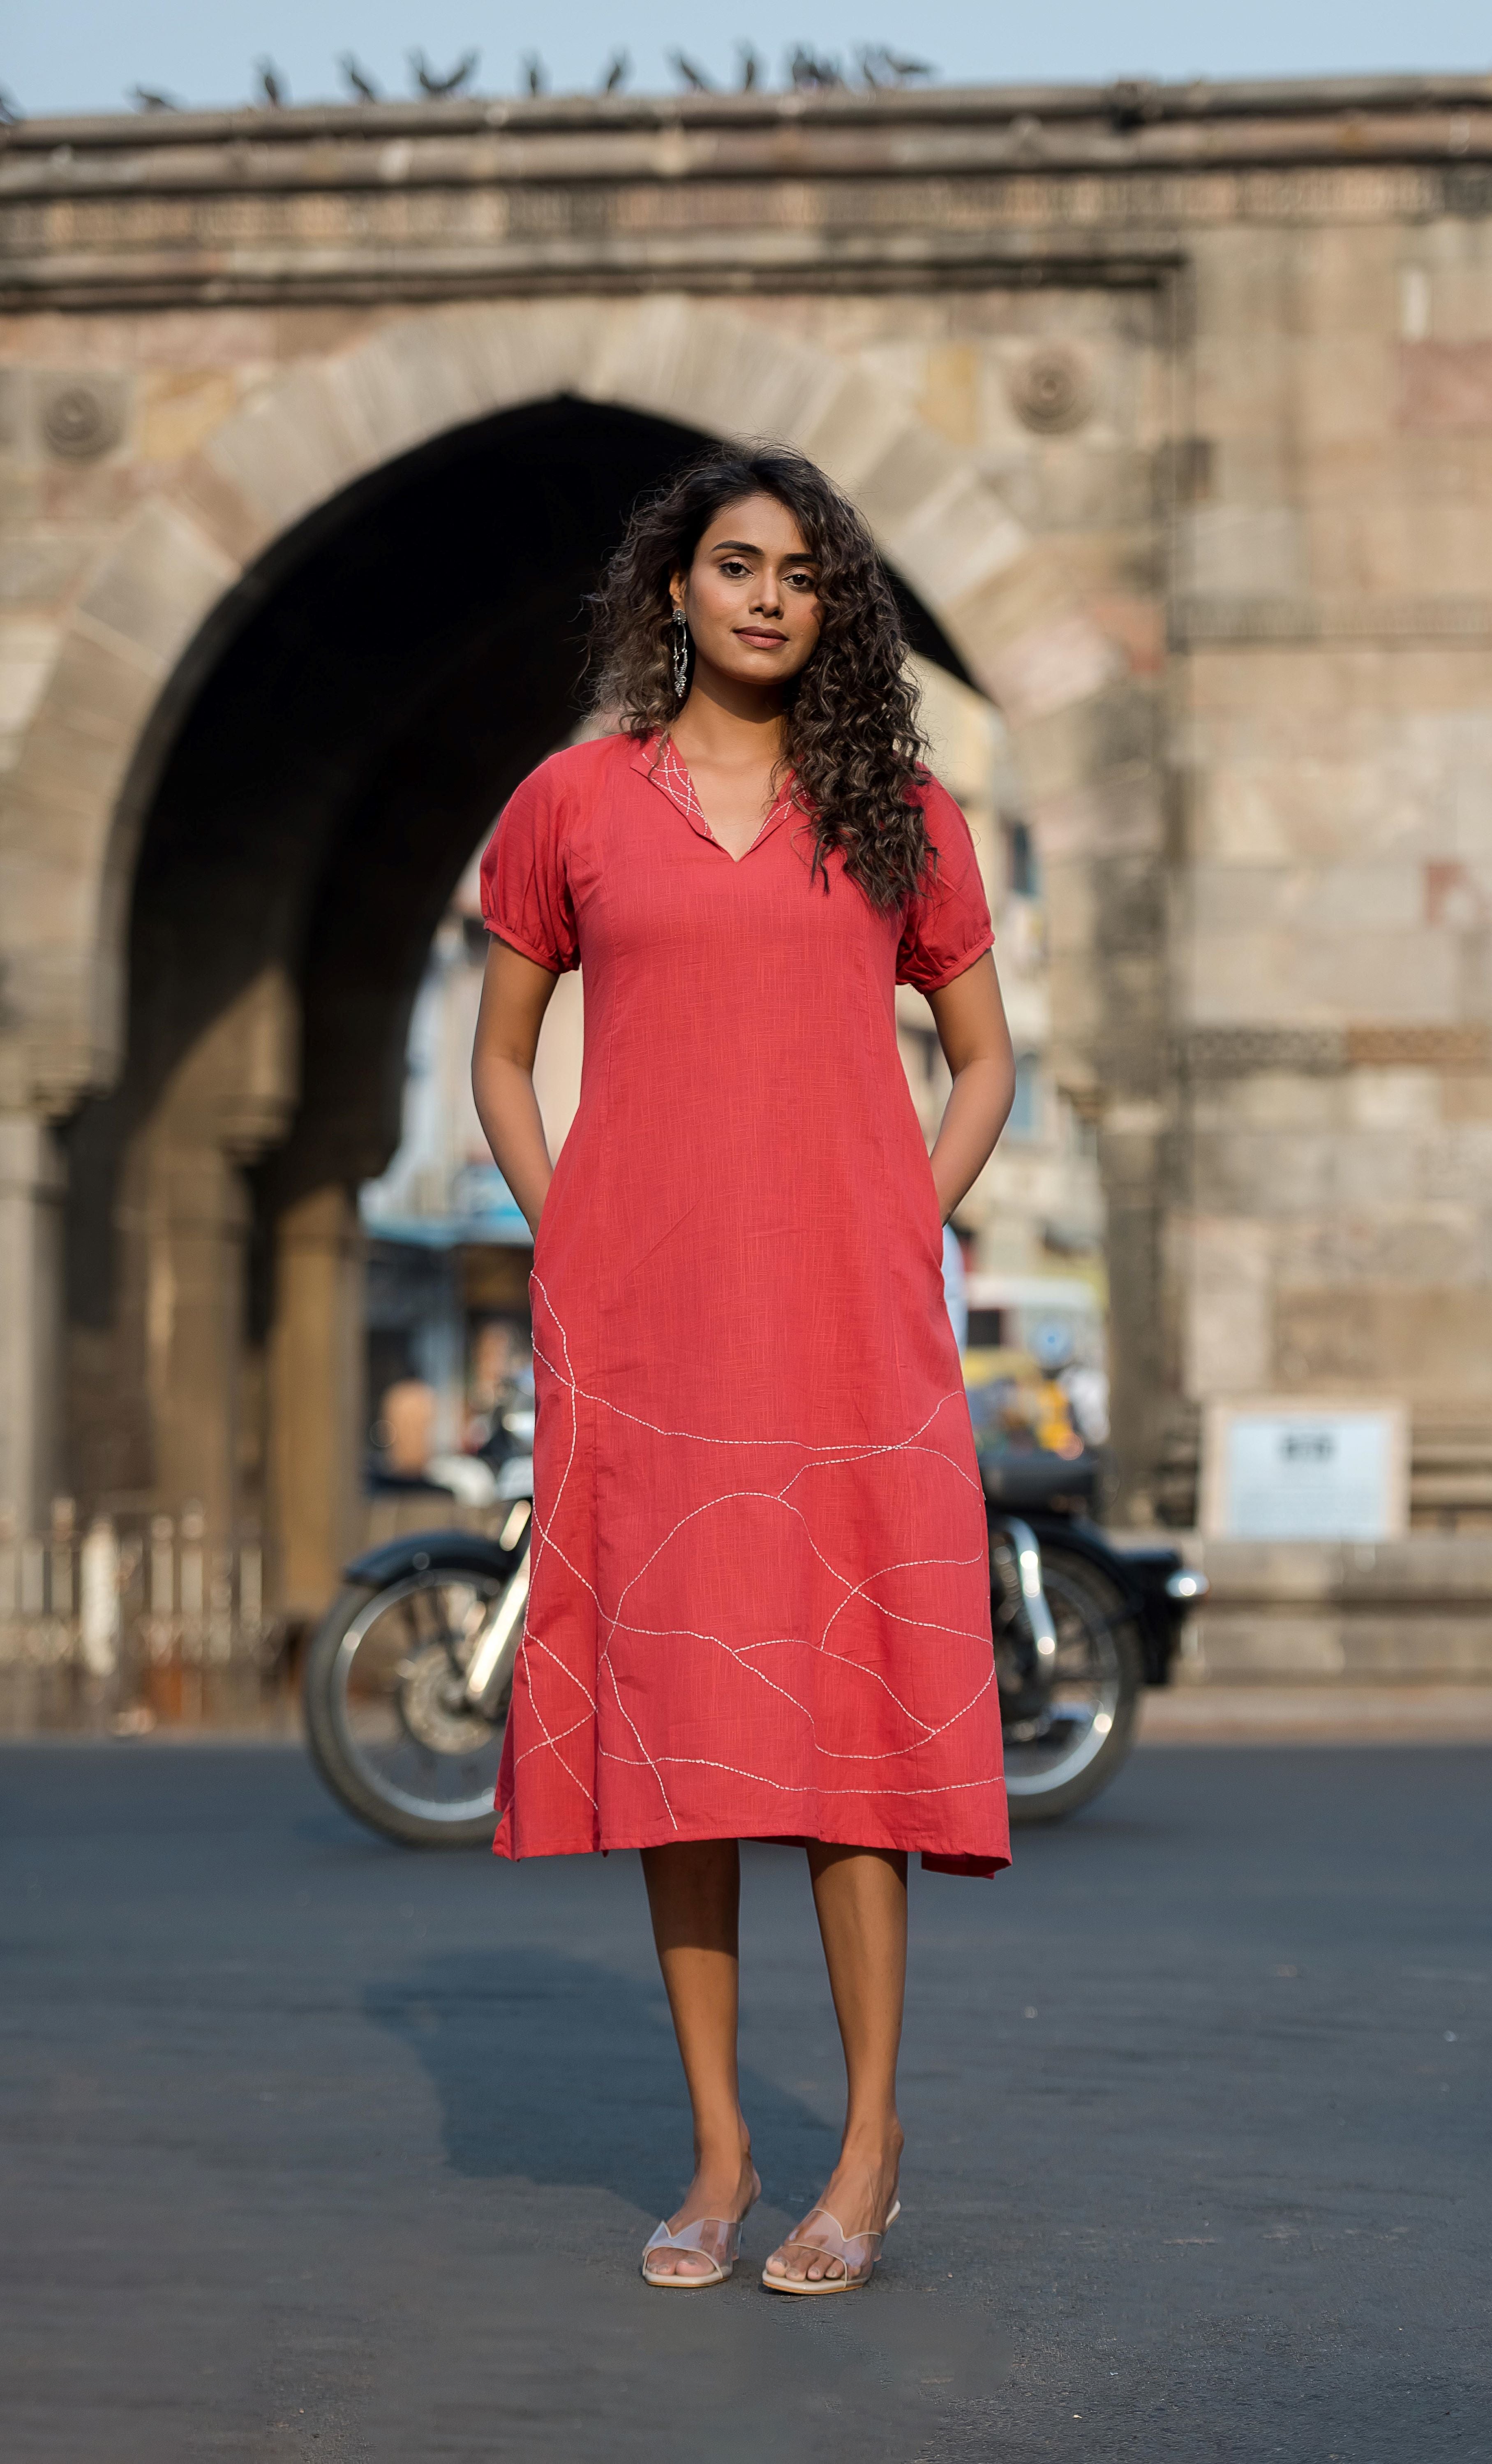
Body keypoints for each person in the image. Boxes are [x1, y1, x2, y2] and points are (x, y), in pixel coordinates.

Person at [470, 444, 1015, 2295]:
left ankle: (866, 2146)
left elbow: (984, 1055)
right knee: (684, 1739)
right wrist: (573, 1234)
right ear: (675, 591)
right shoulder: (570, 802)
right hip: (649, 1334)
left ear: (831, 606)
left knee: (851, 1732)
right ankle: (718, 2148)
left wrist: (896, 1224)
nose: (769, 594)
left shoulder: (901, 816)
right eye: (735, 563)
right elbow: (501, 1052)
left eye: (803, 572)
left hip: (847, 1328)